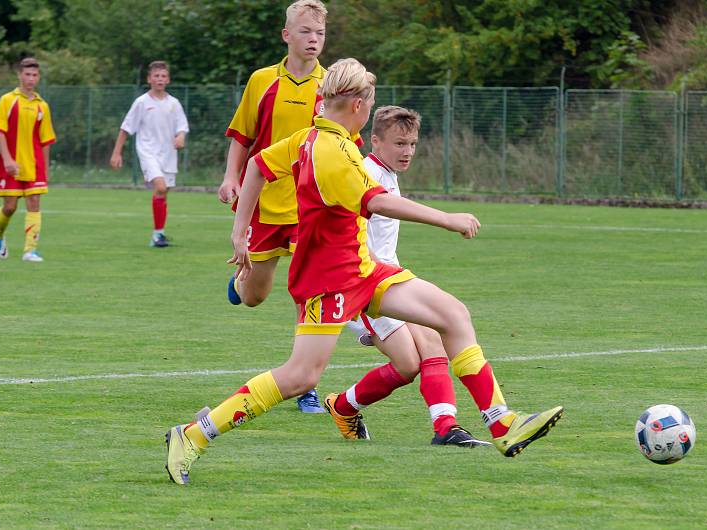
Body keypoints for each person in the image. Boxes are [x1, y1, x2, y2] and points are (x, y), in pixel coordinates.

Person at [164, 58, 563, 485]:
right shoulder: (331, 151)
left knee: (453, 314)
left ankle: (501, 423)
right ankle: (192, 435)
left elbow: (259, 166)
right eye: (370, 101)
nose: (371, 108)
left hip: (364, 269)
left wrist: (240, 231)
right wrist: (447, 217)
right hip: (328, 281)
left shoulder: (313, 137)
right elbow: (377, 202)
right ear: (357, 104)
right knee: (301, 376)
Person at [325, 105, 490, 447]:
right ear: (375, 141)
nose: (408, 152)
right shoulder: (365, 173)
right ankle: (347, 407)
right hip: (364, 284)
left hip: (389, 277)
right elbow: (351, 234)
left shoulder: (385, 173)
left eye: (412, 144)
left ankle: (443, 426)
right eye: (400, 144)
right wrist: (445, 218)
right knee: (413, 357)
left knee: (420, 352)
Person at [218, 0, 332, 413]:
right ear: (286, 35)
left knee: (309, 293)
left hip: (311, 210)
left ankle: (305, 383)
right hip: (264, 205)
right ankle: (238, 286)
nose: (313, 39)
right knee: (255, 297)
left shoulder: (333, 85)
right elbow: (242, 137)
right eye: (304, 32)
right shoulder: (262, 81)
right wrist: (231, 177)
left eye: (319, 33)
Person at [110, 60, 189, 248]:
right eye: (156, 76)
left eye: (163, 76)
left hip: (168, 154)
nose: (160, 79)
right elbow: (126, 128)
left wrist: (180, 137)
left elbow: (182, 127)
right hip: (148, 152)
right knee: (161, 187)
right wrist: (116, 153)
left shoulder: (174, 103)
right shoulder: (142, 102)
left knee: (163, 192)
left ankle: (158, 235)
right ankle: (157, 235)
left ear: (168, 80)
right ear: (149, 79)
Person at [0, 57, 57, 262]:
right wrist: (8, 159)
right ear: (19, 75)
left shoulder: (42, 106)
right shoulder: (7, 100)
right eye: (27, 74)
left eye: (34, 75)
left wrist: (45, 168)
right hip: (11, 163)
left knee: (34, 202)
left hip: (34, 163)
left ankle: (30, 250)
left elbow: (45, 140)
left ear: (39, 77)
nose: (30, 78)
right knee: (10, 207)